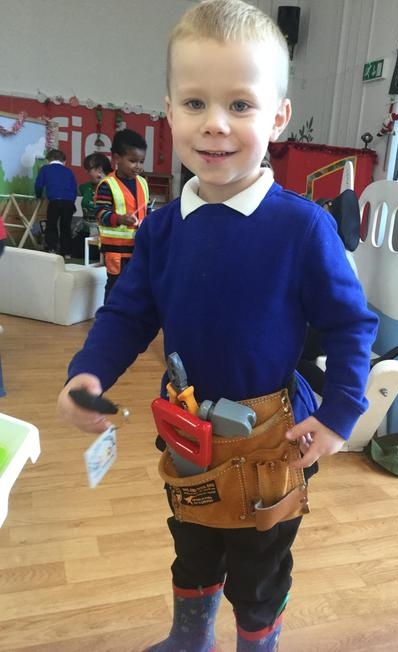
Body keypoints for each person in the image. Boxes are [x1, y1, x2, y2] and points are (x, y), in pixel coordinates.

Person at [57, 1, 378, 650]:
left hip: (272, 443)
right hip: (187, 434)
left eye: (240, 104)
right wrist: (86, 373)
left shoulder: (303, 228)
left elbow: (350, 324)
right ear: (169, 111)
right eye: (195, 103)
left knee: (258, 574)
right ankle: (191, 638)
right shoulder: (161, 229)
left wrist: (341, 414)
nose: (214, 124)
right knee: (193, 548)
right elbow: (127, 313)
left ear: (278, 116)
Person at [94, 128, 151, 301]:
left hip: (139, 248)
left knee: (136, 288)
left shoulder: (143, 182)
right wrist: (119, 219)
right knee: (115, 286)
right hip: (116, 251)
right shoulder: (108, 185)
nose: (138, 166)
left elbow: (147, 210)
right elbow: (100, 213)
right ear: (117, 158)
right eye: (132, 161)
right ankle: (109, 316)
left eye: (141, 161)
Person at [34, 148, 77, 259]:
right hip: (68, 202)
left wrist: (38, 196)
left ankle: (52, 248)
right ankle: (66, 252)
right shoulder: (68, 171)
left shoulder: (45, 169)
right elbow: (74, 189)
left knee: (52, 225)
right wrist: (72, 201)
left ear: (48, 160)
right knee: (66, 227)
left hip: (54, 201)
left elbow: (39, 185)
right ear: (64, 161)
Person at [79, 152, 113, 233]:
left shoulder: (113, 187)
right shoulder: (85, 187)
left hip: (105, 233)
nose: (87, 173)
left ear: (99, 170)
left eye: (89, 170)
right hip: (86, 231)